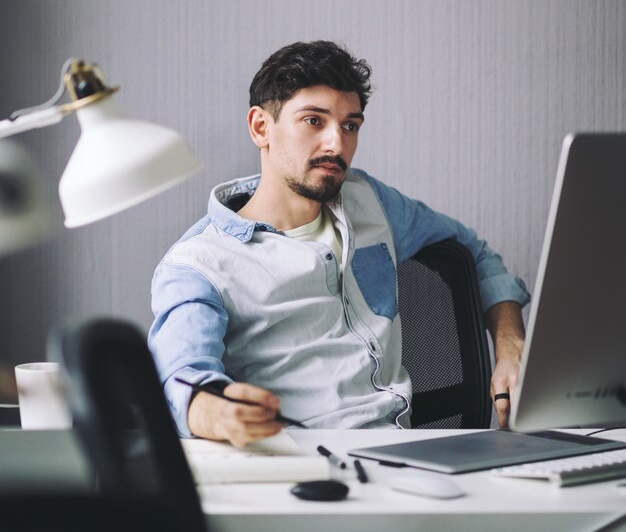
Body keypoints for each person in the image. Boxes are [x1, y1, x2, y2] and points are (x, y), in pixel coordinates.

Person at [149, 41, 530, 447]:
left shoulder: (370, 201)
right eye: (314, 121)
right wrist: (217, 411)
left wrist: (511, 347)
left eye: (350, 125)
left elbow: (474, 251)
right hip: (299, 469)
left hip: (408, 453)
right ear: (261, 127)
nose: (336, 144)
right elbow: (181, 380)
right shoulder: (198, 264)